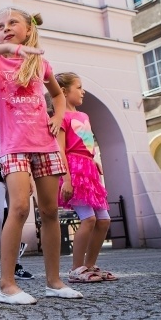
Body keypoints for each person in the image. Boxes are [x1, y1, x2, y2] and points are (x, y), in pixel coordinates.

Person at [0, 6, 82, 304]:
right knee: (18, 208)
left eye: (12, 23)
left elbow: (57, 95)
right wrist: (7, 47)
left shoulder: (40, 64)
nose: (6, 27)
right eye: (0, 25)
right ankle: (7, 285)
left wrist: (58, 117)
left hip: (44, 144)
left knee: (49, 212)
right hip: (13, 146)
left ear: (29, 29)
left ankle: (54, 282)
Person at [55, 73, 117, 283]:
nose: (83, 91)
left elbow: (88, 143)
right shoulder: (61, 116)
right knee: (88, 219)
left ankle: (90, 265)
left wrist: (94, 159)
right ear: (64, 91)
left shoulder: (84, 116)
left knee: (104, 220)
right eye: (78, 87)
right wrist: (67, 179)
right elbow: (60, 150)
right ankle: (76, 268)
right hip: (73, 169)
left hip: (88, 169)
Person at [0, 96, 33, 283]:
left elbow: (23, 153)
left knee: (17, 215)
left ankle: (16, 264)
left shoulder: (13, 128)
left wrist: (29, 178)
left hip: (15, 170)